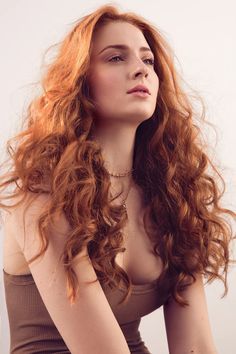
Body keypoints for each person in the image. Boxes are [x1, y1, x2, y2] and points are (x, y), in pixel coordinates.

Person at [0, 4, 235, 354]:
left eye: (148, 61)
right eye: (115, 58)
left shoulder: (174, 197)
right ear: (80, 81)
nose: (141, 69)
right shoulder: (44, 198)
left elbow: (196, 347)